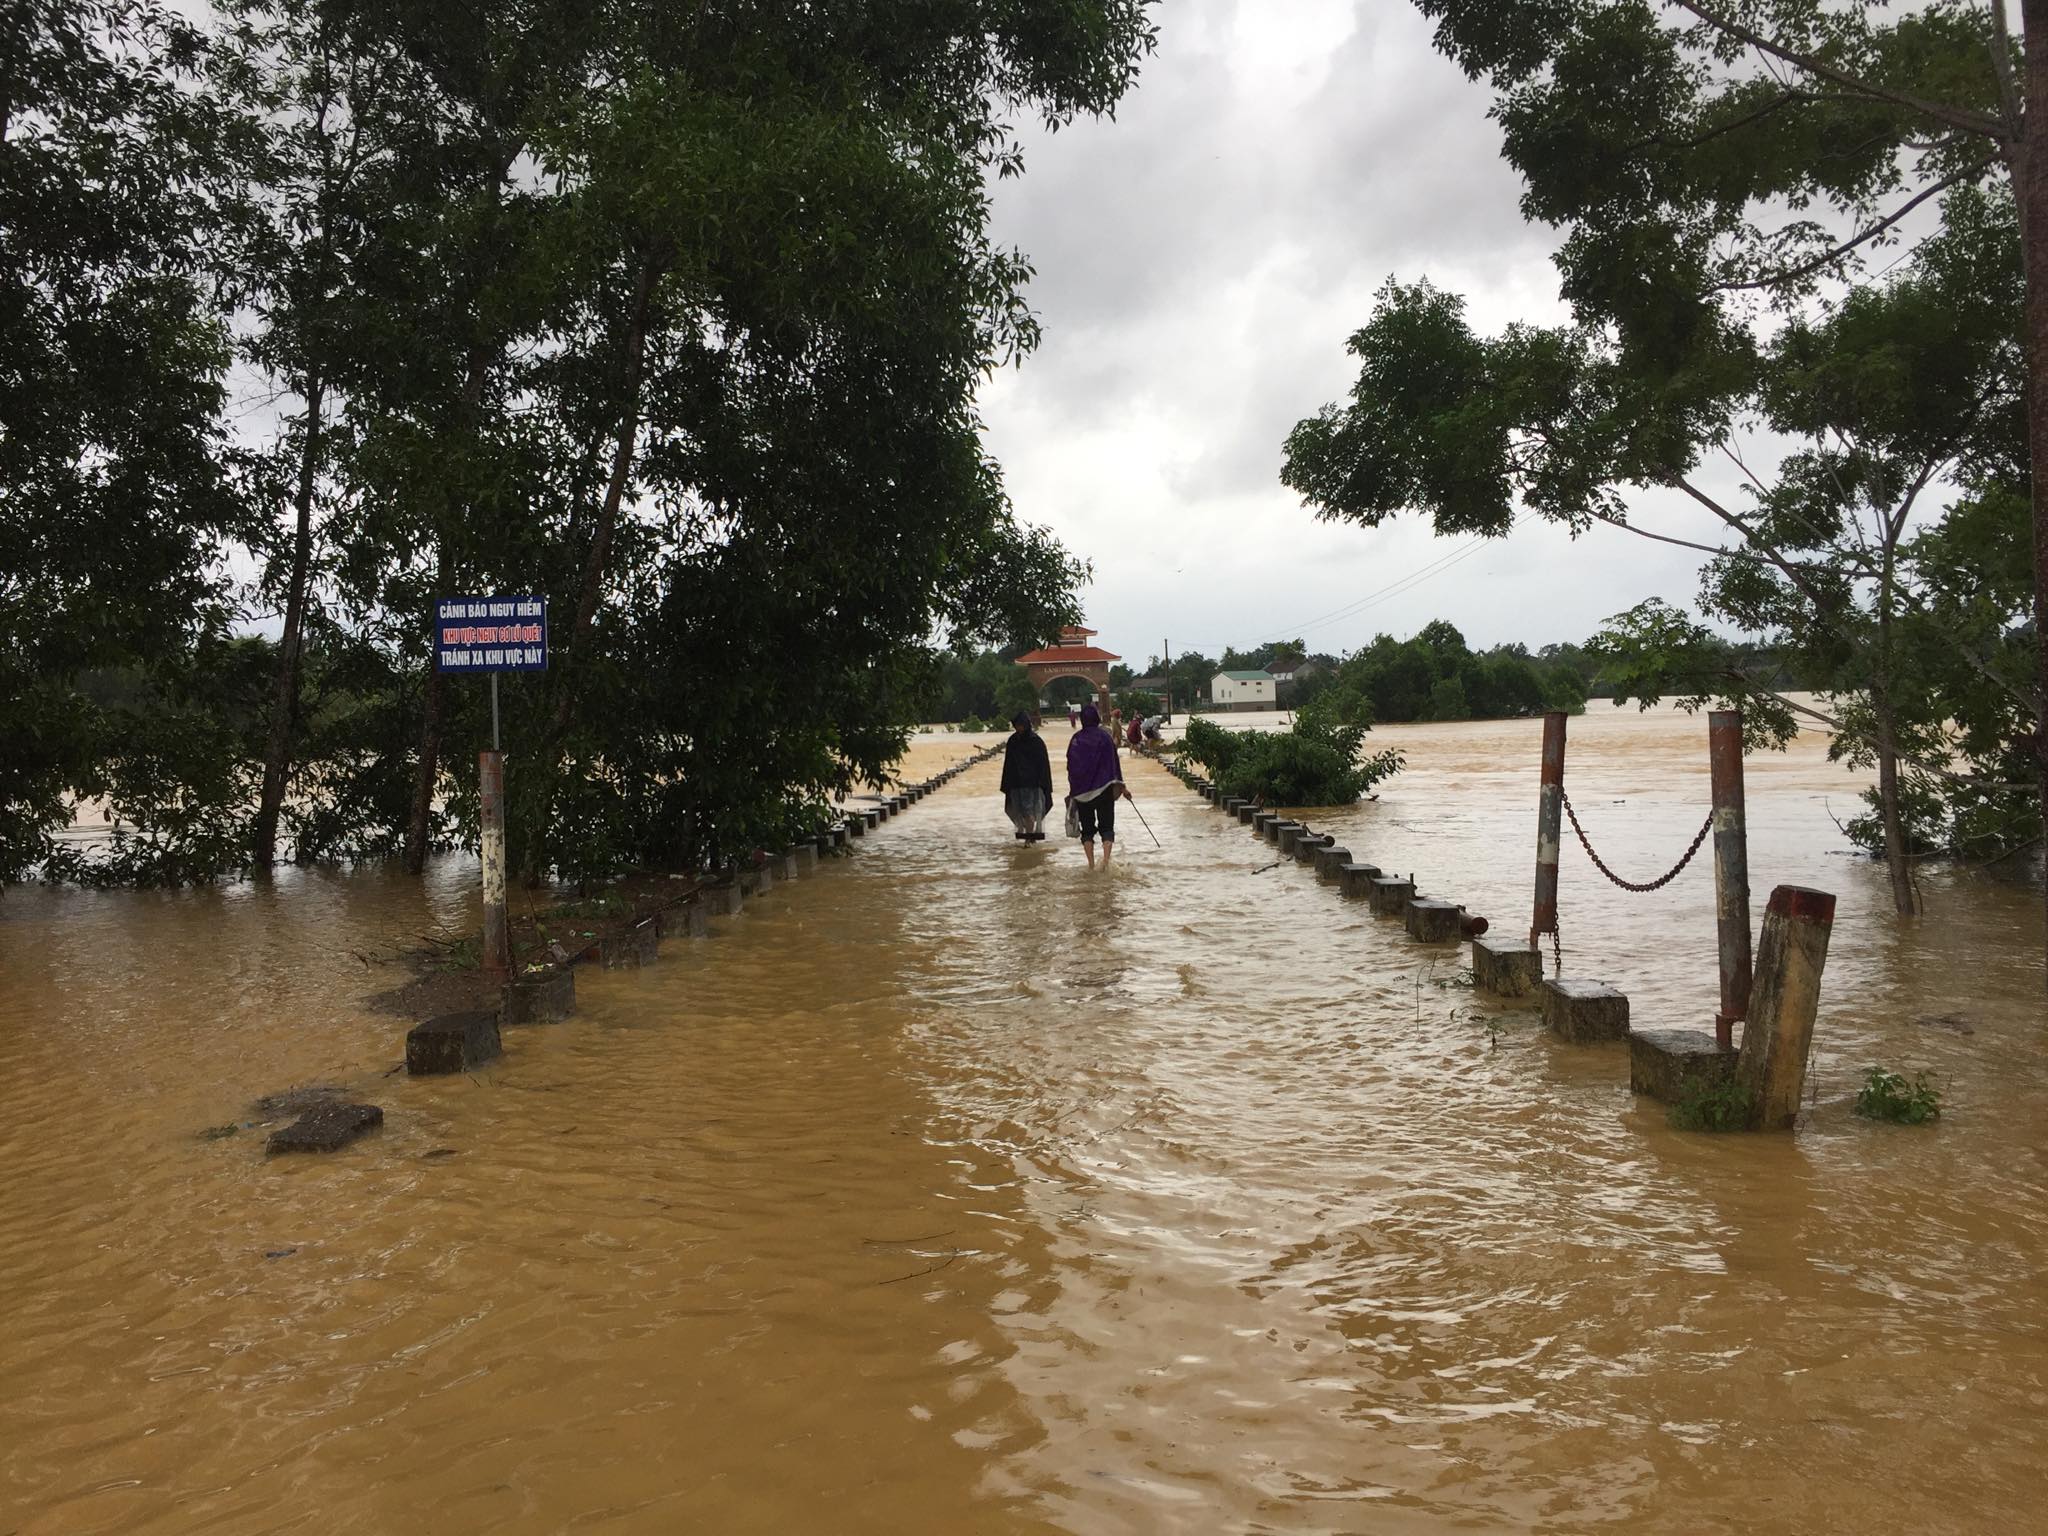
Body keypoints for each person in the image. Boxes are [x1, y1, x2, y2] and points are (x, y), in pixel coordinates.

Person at [1065, 703, 1130, 868]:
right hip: (1104, 790)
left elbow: (1071, 767)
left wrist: (1073, 791)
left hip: (1082, 793)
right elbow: (1114, 765)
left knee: (1087, 830)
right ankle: (1106, 863)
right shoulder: (1104, 738)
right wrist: (1122, 787)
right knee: (1107, 827)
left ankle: (1091, 865)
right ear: (1097, 719)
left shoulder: (1076, 740)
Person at [999, 710, 1053, 841]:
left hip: (1033, 785)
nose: (1019, 728)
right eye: (1017, 726)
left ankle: (1029, 838)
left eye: (1021, 725)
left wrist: (1045, 784)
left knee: (1029, 811)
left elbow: (1043, 765)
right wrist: (1006, 783)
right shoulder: (1013, 741)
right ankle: (1027, 835)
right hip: (1016, 783)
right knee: (1018, 811)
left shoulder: (1036, 742)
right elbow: (1009, 764)